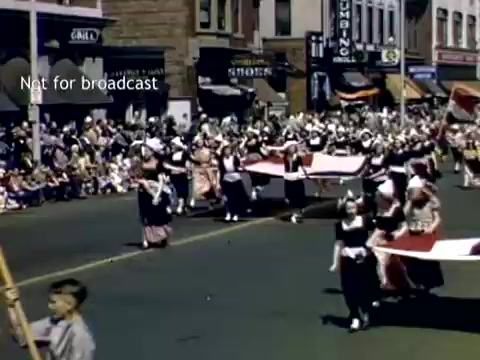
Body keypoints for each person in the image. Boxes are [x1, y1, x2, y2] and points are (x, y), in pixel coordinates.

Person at [6, 278, 95, 360]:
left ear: (69, 305)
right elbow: (22, 336)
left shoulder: (80, 336)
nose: (50, 306)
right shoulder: (53, 323)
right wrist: (12, 306)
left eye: (53, 302)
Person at [330, 198, 380, 331]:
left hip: (363, 258)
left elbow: (378, 231)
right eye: (348, 208)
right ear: (344, 210)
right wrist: (335, 262)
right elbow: (338, 243)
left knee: (364, 288)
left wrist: (370, 246)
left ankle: (366, 313)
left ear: (357, 208)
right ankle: (355, 317)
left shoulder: (365, 220)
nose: (351, 210)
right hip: (347, 258)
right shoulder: (340, 224)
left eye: (353, 207)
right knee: (349, 290)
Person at [402, 175, 444, 293]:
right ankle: (418, 282)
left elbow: (437, 218)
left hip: (427, 232)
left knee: (428, 260)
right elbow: (404, 213)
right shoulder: (411, 204)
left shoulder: (430, 203)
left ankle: (429, 284)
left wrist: (431, 228)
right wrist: (410, 200)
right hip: (414, 232)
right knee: (415, 260)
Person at [367, 179, 408, 291]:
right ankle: (385, 282)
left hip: (391, 239)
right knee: (381, 261)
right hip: (380, 239)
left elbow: (404, 225)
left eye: (378, 197)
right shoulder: (377, 209)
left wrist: (398, 234)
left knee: (395, 262)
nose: (376, 199)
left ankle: (400, 281)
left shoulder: (396, 210)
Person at [137, 142, 172, 249]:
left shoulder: (158, 163)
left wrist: (157, 195)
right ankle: (145, 239)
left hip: (156, 190)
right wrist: (142, 182)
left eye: (147, 150)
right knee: (145, 216)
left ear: (152, 152)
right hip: (143, 192)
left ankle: (162, 236)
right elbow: (136, 176)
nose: (145, 153)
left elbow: (161, 181)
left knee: (158, 215)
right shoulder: (140, 163)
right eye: (144, 151)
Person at [218, 144, 247, 222]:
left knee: (236, 197)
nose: (227, 152)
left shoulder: (234, 158)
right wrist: (218, 183)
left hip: (236, 178)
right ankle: (228, 213)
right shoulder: (221, 159)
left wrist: (242, 168)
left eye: (228, 150)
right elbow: (220, 171)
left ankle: (236, 214)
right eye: (225, 150)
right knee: (227, 198)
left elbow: (240, 165)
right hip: (226, 178)